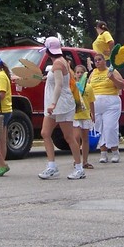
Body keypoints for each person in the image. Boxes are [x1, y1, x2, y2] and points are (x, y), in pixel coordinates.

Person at [38, 37, 86, 180]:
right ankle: (52, 166)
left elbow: (59, 84)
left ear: (48, 50)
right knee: (45, 133)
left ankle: (79, 168)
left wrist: (53, 103)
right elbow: (58, 80)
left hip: (61, 104)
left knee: (69, 137)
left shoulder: (58, 64)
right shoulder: (60, 62)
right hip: (55, 104)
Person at [89, 53, 124, 163]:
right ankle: (103, 153)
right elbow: (88, 87)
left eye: (100, 60)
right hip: (96, 104)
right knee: (99, 128)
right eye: (95, 60)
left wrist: (113, 78)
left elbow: (122, 86)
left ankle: (115, 151)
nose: (97, 62)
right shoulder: (93, 73)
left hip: (111, 103)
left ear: (105, 61)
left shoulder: (112, 71)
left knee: (110, 127)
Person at [73, 64, 95, 169]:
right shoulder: (73, 86)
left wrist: (93, 114)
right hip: (75, 115)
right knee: (76, 137)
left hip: (85, 115)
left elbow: (91, 102)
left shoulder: (89, 87)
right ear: (74, 74)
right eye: (77, 72)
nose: (80, 74)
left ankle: (85, 161)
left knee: (85, 139)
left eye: (82, 72)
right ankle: (76, 160)